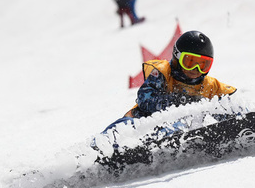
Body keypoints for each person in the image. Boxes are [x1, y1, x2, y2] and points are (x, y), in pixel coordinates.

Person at [101, 30, 237, 134]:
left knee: (179, 126)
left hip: (176, 131)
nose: (195, 69)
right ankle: (97, 152)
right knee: (123, 125)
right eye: (189, 62)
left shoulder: (210, 85)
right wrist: (179, 101)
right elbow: (145, 99)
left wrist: (242, 118)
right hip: (142, 123)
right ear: (177, 57)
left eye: (203, 65)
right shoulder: (163, 73)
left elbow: (229, 105)